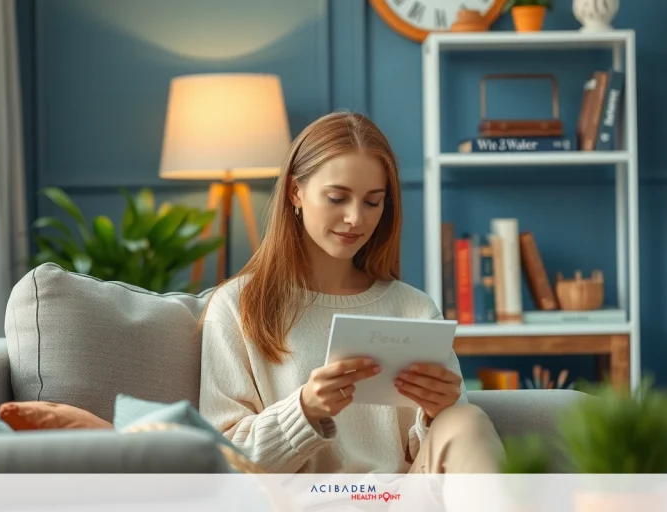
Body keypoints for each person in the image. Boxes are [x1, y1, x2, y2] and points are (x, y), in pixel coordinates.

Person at [198, 111, 504, 476]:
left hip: (403, 497)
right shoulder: (238, 306)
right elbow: (221, 463)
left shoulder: (414, 307)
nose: (356, 218)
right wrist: (304, 411)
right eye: (337, 198)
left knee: (466, 420)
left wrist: (439, 413)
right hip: (306, 499)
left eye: (372, 202)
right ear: (295, 192)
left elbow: (456, 448)